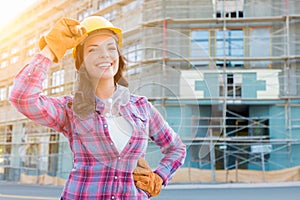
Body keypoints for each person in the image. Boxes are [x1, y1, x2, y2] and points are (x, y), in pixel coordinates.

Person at [9, 16, 186, 199]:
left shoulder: (141, 107)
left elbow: (177, 148)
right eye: (93, 50)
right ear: (82, 63)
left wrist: (159, 176)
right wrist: (51, 48)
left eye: (111, 48)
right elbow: (22, 97)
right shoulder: (70, 109)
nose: (104, 54)